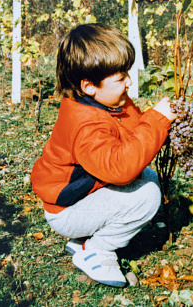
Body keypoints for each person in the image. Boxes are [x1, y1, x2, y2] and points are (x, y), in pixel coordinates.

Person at [31, 23, 177, 287]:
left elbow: (134, 138)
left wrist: (161, 125)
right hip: (66, 212)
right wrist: (157, 122)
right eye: (121, 78)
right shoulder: (86, 125)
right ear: (89, 86)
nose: (130, 82)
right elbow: (121, 169)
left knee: (146, 176)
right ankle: (97, 250)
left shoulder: (108, 103)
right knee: (147, 196)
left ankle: (83, 240)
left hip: (81, 197)